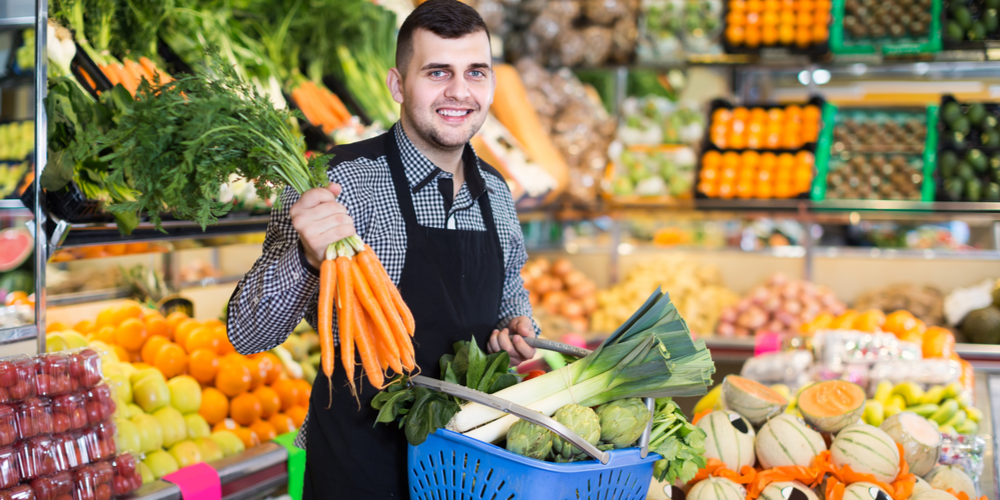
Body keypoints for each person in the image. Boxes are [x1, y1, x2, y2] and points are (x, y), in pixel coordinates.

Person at [225, 0, 539, 496]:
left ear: (491, 85)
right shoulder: (336, 182)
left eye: (475, 72)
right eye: (437, 72)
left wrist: (517, 330)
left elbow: (510, 298)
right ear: (397, 84)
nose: (459, 91)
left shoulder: (498, 192)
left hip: (466, 472)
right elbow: (248, 333)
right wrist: (306, 258)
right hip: (358, 468)